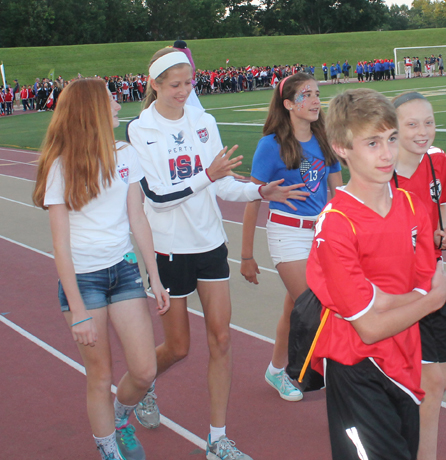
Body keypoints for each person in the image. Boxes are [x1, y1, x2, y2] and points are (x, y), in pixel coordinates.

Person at [126, 48, 307, 460]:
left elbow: (222, 186)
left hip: (210, 244)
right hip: (169, 248)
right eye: (175, 85)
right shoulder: (140, 130)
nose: (185, 92)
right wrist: (206, 176)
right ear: (153, 85)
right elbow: (156, 197)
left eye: (190, 84)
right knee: (178, 348)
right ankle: (146, 383)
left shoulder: (203, 121)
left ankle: (217, 439)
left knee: (222, 339)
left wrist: (259, 191)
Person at [307, 88, 446, 460]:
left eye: (390, 138)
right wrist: (429, 300)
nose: (387, 153)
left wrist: (384, 300)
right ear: (341, 148)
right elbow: (368, 327)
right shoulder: (335, 225)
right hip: (358, 368)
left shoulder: (411, 206)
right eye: (372, 143)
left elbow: (423, 280)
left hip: (405, 362)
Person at [32, 78, 170, 460]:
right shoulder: (61, 167)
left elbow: (136, 217)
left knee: (144, 371)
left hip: (123, 271)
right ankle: (108, 448)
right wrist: (77, 311)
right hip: (83, 280)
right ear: (93, 109)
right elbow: (59, 244)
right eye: (110, 99)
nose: (117, 105)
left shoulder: (125, 154)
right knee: (101, 375)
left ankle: (120, 417)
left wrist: (153, 276)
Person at [240, 72, 342, 402]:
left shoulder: (324, 138)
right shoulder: (271, 146)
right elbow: (253, 197)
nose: (315, 100)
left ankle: (276, 370)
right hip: (288, 234)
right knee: (315, 307)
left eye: (316, 93)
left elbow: (338, 194)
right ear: (288, 105)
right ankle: (339, 376)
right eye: (306, 95)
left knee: (293, 310)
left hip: (323, 234)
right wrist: (246, 256)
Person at [392, 91, 446, 460]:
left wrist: (444, 235)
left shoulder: (438, 161)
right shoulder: (381, 172)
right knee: (424, 383)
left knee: (438, 382)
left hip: (434, 283)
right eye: (411, 124)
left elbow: (442, 208)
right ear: (392, 129)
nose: (423, 132)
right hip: (396, 294)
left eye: (428, 122)